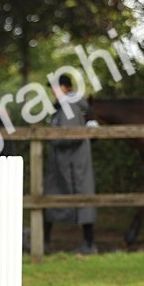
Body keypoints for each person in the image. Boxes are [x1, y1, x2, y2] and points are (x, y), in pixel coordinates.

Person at [43, 74, 97, 254]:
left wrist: (51, 139)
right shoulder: (64, 107)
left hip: (73, 163)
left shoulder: (69, 106)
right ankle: (44, 241)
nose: (53, 92)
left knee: (80, 199)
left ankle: (88, 243)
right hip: (64, 163)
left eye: (56, 88)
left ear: (66, 88)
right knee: (51, 199)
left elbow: (70, 135)